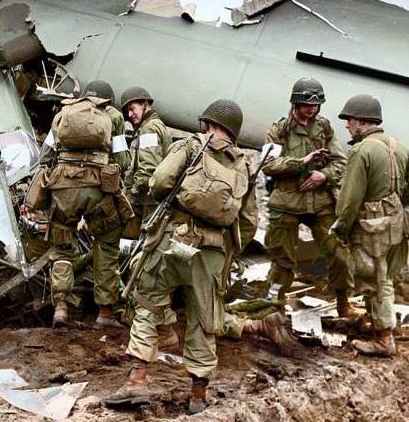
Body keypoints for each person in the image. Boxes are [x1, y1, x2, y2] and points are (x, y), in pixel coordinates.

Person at [104, 100, 294, 414]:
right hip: (212, 253)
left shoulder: (190, 145)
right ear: (234, 132)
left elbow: (159, 182)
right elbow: (248, 223)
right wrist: (223, 251)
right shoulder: (244, 165)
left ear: (208, 123)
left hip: (171, 242)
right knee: (204, 320)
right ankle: (198, 395)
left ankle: (136, 381)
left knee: (148, 305)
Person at [35, 92, 132, 327]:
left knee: (62, 247)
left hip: (63, 188)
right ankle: (105, 313)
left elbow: (45, 155)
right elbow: (123, 160)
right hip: (98, 188)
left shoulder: (62, 115)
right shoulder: (113, 117)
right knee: (106, 243)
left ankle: (61, 308)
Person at [261, 77, 352, 315]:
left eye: (315, 105)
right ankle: (274, 308)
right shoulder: (279, 130)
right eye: (307, 104)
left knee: (339, 254)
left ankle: (343, 302)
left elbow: (340, 162)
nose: (311, 109)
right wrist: (301, 163)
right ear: (296, 103)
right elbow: (267, 164)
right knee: (282, 261)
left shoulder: (324, 128)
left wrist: (324, 175)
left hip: (320, 203)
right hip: (287, 204)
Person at [331, 94, 408, 357]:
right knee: (385, 276)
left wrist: (342, 228)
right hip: (397, 224)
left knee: (375, 280)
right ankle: (380, 325)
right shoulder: (400, 147)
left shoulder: (361, 150)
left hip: (371, 227)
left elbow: (350, 198)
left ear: (362, 121)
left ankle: (384, 339)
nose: (347, 125)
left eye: (350, 120)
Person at [120, 86, 170, 235]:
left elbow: (149, 167)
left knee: (130, 241)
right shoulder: (155, 125)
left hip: (145, 200)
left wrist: (131, 194)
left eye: (132, 109)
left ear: (144, 104)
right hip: (148, 199)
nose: (130, 115)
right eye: (128, 111)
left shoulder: (149, 129)